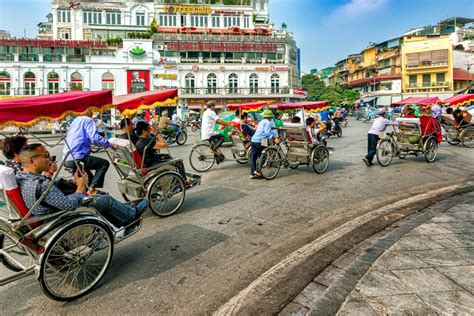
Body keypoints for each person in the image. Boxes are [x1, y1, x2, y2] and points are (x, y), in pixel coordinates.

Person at [17, 144, 148, 228]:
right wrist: (80, 187)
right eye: (46, 155)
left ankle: (120, 220)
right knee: (104, 199)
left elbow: (47, 187)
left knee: (98, 196)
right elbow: (69, 205)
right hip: (61, 216)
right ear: (31, 161)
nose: (50, 159)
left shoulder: (22, 178)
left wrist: (73, 182)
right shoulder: (41, 185)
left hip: (47, 210)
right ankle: (131, 214)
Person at [63, 115, 119, 195]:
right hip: (78, 157)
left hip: (67, 158)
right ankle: (91, 190)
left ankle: (89, 193)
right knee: (104, 163)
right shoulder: (88, 120)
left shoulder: (76, 120)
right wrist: (111, 145)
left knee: (90, 179)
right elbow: (94, 138)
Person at [249, 109, 280, 179]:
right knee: (264, 156)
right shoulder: (268, 122)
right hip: (260, 141)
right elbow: (267, 133)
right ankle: (257, 171)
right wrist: (275, 138)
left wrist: (275, 128)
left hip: (254, 140)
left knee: (253, 157)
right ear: (270, 117)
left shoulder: (262, 121)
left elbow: (265, 129)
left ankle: (252, 173)